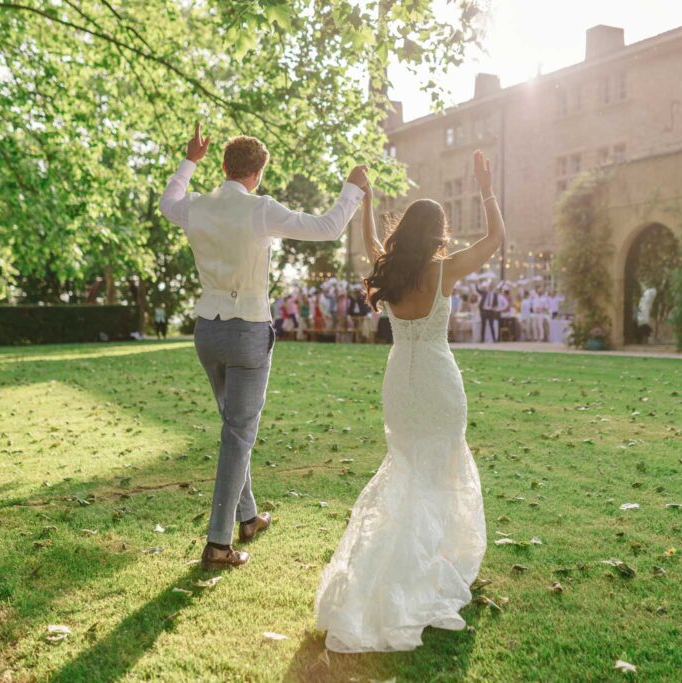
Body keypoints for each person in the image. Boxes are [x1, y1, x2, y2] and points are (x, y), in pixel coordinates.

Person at [159, 123, 369, 569]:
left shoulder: (196, 207)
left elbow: (167, 203)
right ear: (257, 174)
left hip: (207, 332)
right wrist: (352, 186)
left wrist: (188, 161)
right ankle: (218, 544)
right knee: (238, 434)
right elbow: (329, 228)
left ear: (223, 167)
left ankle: (249, 517)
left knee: (234, 429)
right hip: (246, 329)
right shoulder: (260, 209)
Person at [315, 150, 501, 653]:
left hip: (401, 378)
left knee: (407, 469)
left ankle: (406, 565)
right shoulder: (445, 272)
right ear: (437, 232)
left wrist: (368, 201)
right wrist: (485, 186)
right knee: (441, 472)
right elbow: (495, 240)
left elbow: (370, 240)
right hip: (439, 380)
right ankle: (429, 568)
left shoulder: (390, 269)